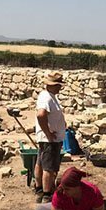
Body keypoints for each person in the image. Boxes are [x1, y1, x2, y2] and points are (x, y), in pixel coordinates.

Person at [34, 71, 67, 203]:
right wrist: (48, 132)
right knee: (49, 167)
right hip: (50, 140)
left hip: (49, 138)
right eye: (59, 85)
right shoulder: (47, 98)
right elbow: (41, 115)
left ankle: (40, 190)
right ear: (53, 85)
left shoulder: (49, 96)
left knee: (41, 163)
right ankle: (46, 195)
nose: (60, 87)